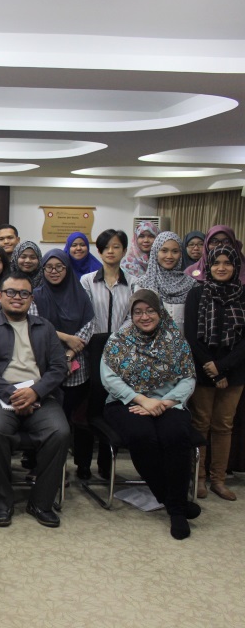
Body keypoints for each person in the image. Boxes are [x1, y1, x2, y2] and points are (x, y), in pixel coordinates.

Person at [0, 271, 70, 528]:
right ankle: (2, 503)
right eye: (11, 292)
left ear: (31, 298)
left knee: (60, 431)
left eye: (24, 293)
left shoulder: (44, 328)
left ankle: (41, 502)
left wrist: (35, 392)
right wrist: (13, 394)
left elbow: (59, 368)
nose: (17, 298)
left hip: (39, 395)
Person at [101, 289, 199, 540]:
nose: (144, 316)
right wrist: (142, 399)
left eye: (150, 311)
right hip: (126, 402)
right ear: (131, 315)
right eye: (138, 312)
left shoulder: (175, 340)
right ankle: (175, 506)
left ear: (160, 312)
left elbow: (188, 377)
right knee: (142, 435)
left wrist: (164, 403)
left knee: (176, 434)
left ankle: (174, 504)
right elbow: (109, 378)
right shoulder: (118, 340)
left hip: (168, 402)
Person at [185, 246, 245, 501]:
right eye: (216, 263)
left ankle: (218, 480)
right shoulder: (197, 293)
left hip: (235, 371)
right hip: (202, 368)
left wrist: (223, 367)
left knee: (224, 425)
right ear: (207, 266)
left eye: (227, 263)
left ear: (236, 267)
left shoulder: (243, 295)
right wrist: (210, 365)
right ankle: (198, 478)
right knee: (201, 423)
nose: (221, 267)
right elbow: (190, 334)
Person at [79, 228, 135, 480]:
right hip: (90, 347)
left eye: (116, 247)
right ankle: (82, 463)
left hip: (122, 349)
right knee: (88, 402)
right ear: (99, 251)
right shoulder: (88, 280)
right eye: (106, 247)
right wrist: (99, 340)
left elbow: (135, 316)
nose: (111, 251)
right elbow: (86, 314)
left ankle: (105, 463)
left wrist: (117, 339)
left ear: (123, 250)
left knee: (110, 403)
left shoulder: (134, 281)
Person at [35, 250, 95, 478]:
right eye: (48, 267)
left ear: (67, 269)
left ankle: (81, 465)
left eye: (59, 267)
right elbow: (37, 327)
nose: (53, 271)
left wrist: (69, 354)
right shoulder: (37, 295)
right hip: (46, 368)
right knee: (50, 420)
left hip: (77, 369)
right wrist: (65, 338)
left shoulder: (80, 295)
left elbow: (89, 327)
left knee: (77, 420)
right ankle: (49, 468)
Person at [136, 231, 196, 330]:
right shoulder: (142, 285)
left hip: (183, 343)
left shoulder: (191, 285)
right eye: (164, 250)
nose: (169, 256)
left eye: (175, 251)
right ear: (155, 252)